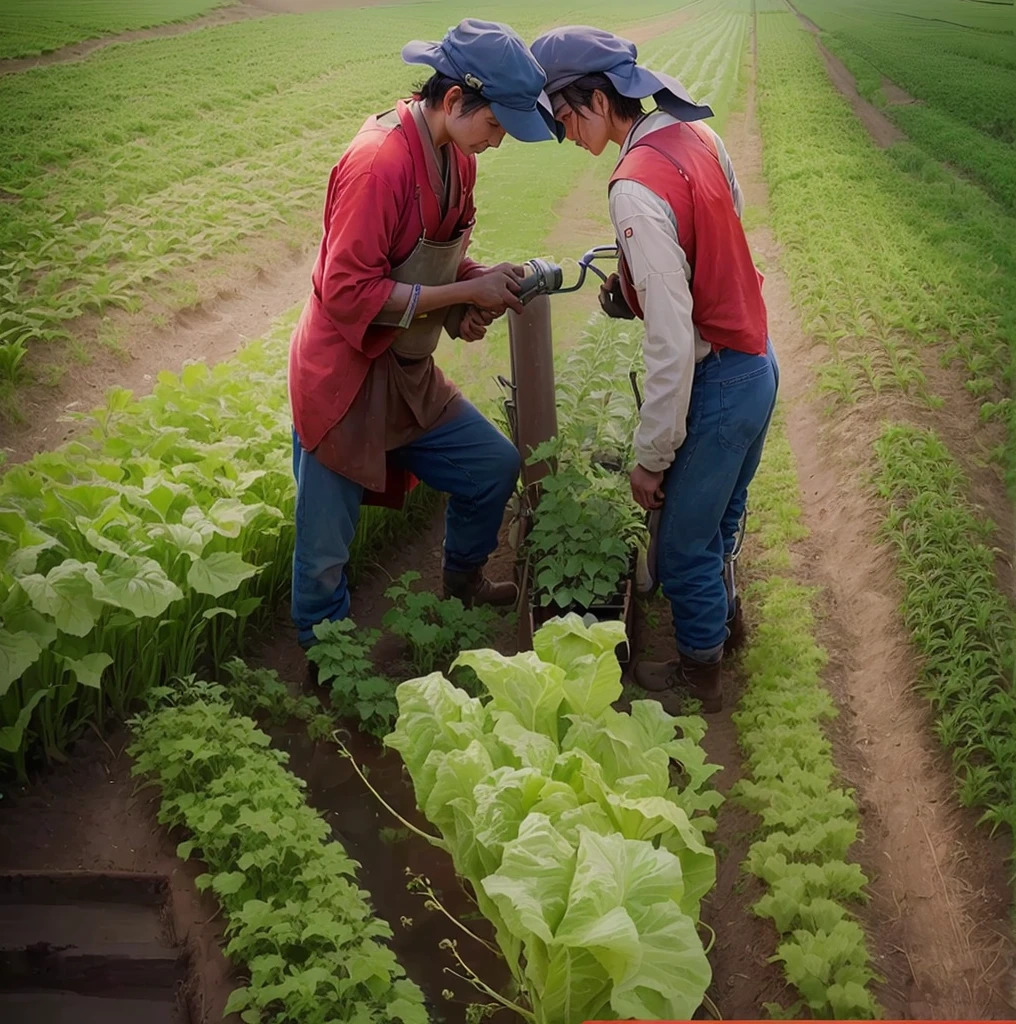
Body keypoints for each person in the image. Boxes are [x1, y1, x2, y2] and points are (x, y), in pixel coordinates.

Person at [288, 19, 560, 649]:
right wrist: (464, 292)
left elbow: (433, 258)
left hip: (406, 366)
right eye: (494, 125)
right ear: (457, 100)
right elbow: (348, 290)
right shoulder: (377, 164)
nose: (496, 142)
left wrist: (472, 289)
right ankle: (324, 657)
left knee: (492, 466)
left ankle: (461, 583)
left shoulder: (457, 161)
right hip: (345, 374)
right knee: (327, 539)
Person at [530, 27, 779, 712]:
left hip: (721, 380)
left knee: (679, 551)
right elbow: (719, 228)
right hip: (758, 358)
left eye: (566, 118)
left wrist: (650, 455)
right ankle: (729, 625)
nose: (566, 136)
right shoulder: (694, 133)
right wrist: (637, 287)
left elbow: (671, 342)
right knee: (722, 517)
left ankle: (701, 678)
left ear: (598, 99)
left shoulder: (633, 189)